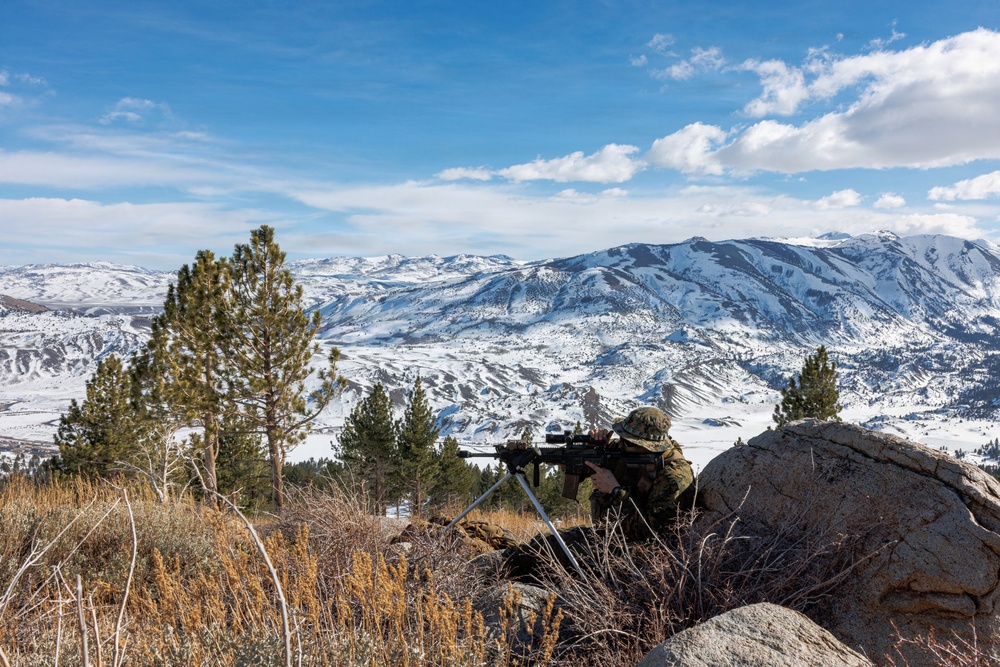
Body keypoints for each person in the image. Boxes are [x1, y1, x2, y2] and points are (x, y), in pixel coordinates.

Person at [502, 406, 695, 579]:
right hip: (612, 537)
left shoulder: (674, 476)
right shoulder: (627, 451)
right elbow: (581, 464)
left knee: (549, 550)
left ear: (646, 445)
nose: (621, 443)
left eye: (628, 440)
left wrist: (615, 490)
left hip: (646, 555)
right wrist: (590, 447)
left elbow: (651, 531)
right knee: (543, 544)